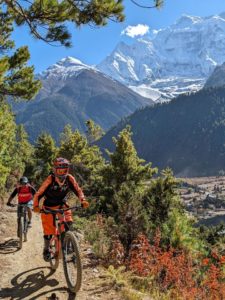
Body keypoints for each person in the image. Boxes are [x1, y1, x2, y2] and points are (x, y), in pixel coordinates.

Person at [33, 157, 89, 261]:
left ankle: (67, 246)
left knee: (69, 222)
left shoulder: (69, 178)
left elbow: (78, 190)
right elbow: (39, 193)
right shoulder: (50, 179)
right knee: (49, 230)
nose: (62, 173)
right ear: (55, 170)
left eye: (65, 170)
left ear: (67, 170)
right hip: (48, 206)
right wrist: (36, 206)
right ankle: (46, 248)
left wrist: (83, 200)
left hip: (62, 204)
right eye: (60, 170)